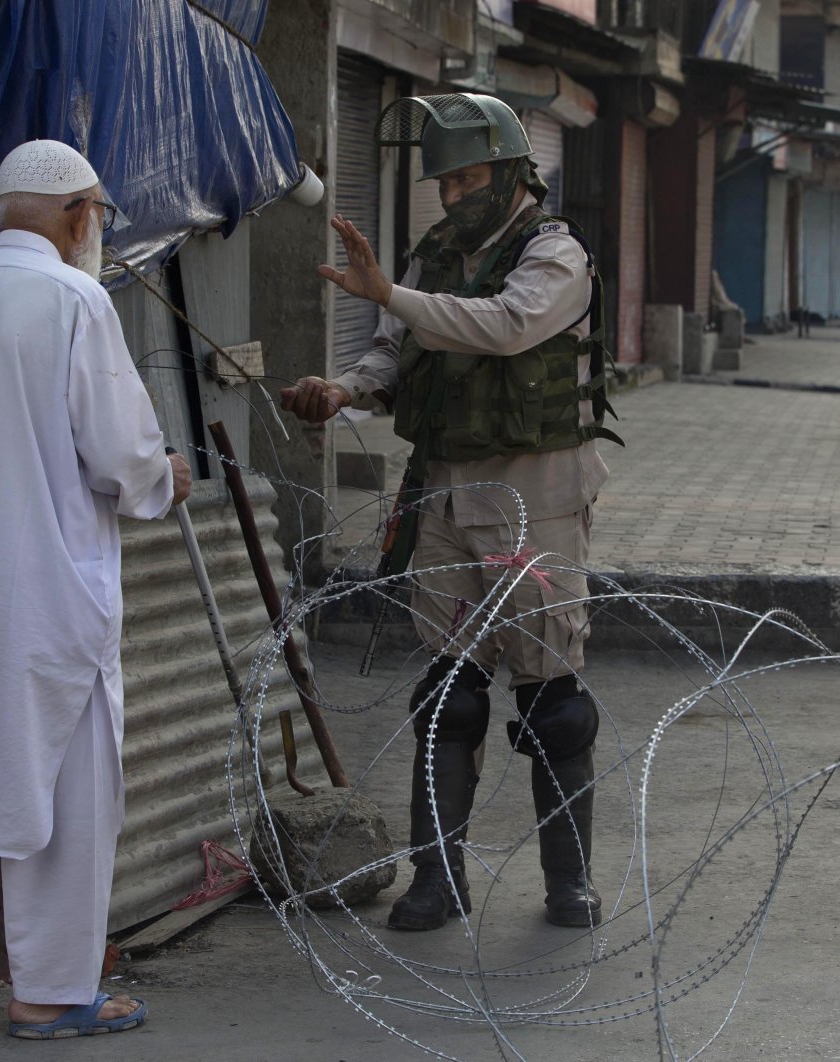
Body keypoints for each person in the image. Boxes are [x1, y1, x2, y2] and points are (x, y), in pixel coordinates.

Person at [280, 93, 619, 931]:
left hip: (534, 488)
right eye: (445, 181)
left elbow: (504, 328)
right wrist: (345, 389)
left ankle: (567, 880)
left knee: (554, 701)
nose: (455, 194)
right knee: (449, 693)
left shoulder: (555, 252)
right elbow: (398, 352)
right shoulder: (435, 254)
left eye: (470, 177)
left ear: (510, 171)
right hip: (446, 483)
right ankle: (438, 877)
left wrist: (389, 292)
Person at [0, 139, 191, 1039]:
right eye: (96, 213)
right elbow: (122, 456)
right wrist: (162, 474)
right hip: (49, 597)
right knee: (67, 795)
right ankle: (49, 993)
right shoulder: (74, 299)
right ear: (75, 215)